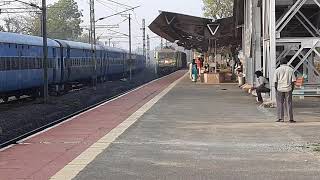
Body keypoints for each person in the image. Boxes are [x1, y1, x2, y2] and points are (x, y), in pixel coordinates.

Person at [273, 57, 296, 123]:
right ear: (287, 62)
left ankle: (280, 118)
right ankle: (290, 118)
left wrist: (276, 89)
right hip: (288, 89)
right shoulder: (290, 70)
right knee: (289, 103)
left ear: (280, 62)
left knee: (280, 103)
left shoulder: (277, 70)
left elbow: (275, 81)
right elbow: (293, 81)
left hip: (279, 89)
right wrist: (292, 89)